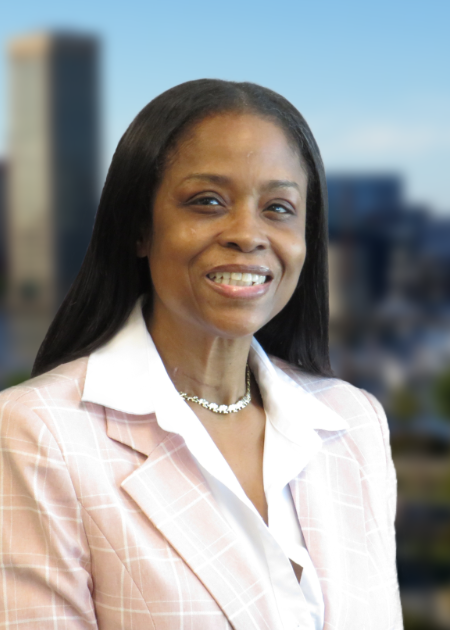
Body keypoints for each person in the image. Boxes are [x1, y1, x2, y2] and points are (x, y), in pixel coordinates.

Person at [0, 79, 403, 630]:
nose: (248, 234)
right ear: (139, 228)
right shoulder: (38, 434)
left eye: (279, 208)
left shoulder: (355, 425)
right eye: (208, 201)